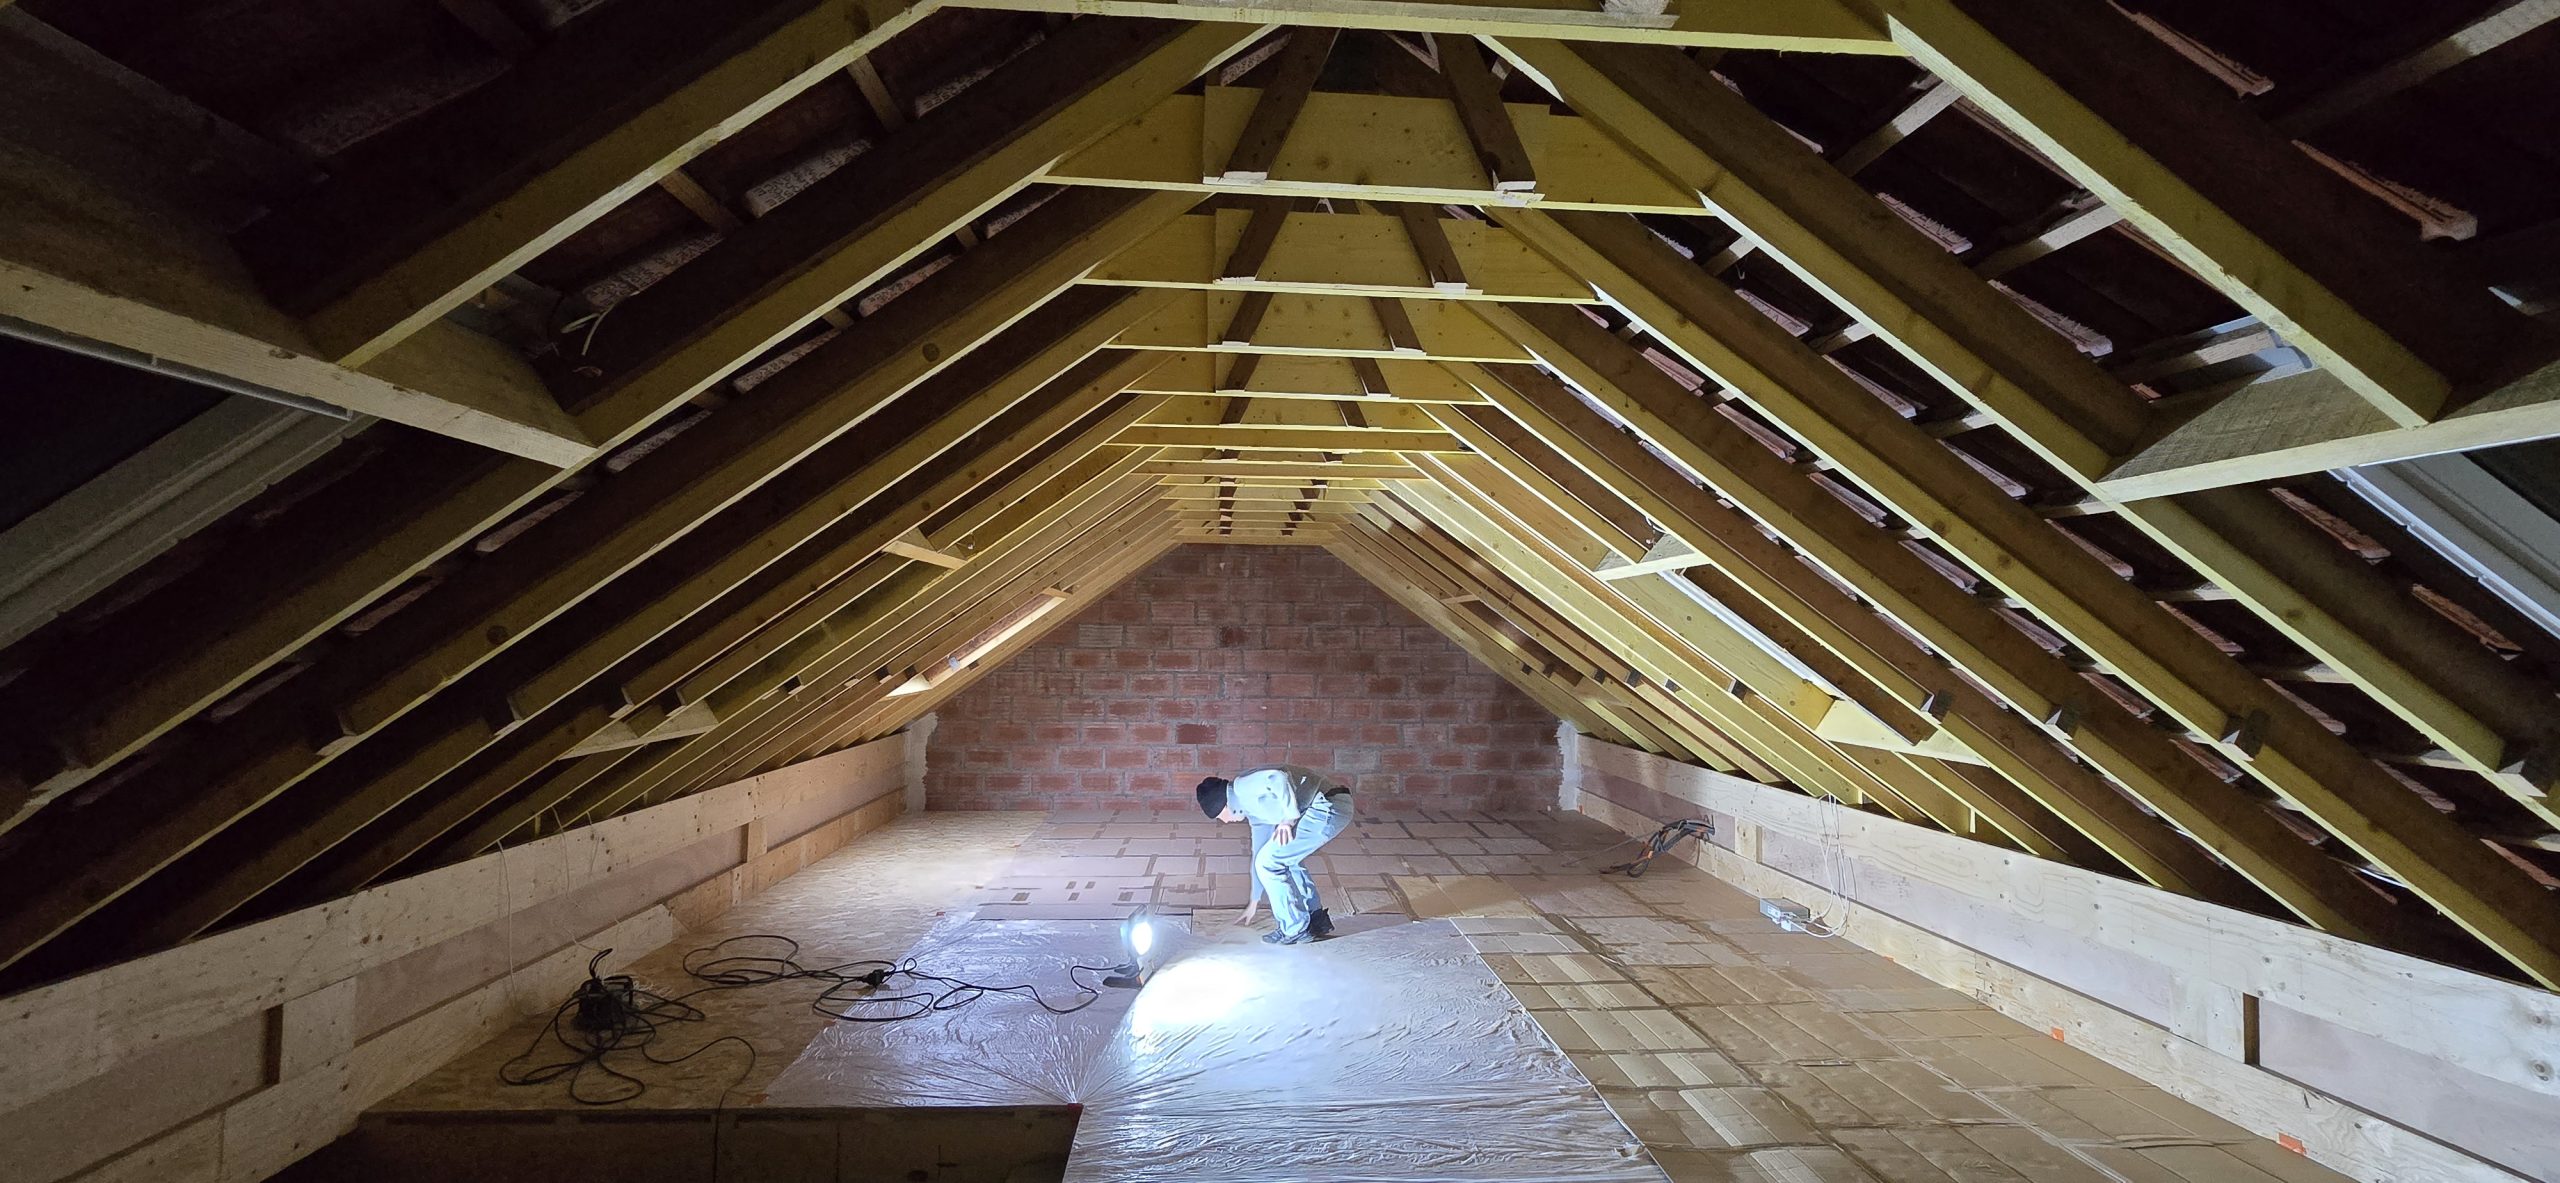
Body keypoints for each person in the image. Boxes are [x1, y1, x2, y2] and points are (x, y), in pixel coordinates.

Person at [1196, 765, 1354, 945]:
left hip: (1327, 805)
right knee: (1281, 859)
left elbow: (1277, 777)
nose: (1224, 821)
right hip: (1327, 804)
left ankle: (1294, 929)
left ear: (1224, 804)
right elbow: (1259, 853)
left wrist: (1288, 819)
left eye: (1219, 816)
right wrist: (1254, 899)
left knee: (1270, 862)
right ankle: (1315, 918)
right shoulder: (1254, 812)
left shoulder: (1242, 787)